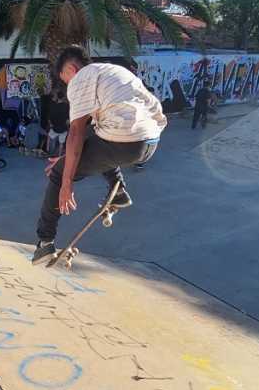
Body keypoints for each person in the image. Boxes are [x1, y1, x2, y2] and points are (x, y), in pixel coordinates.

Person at [31, 45, 165, 264]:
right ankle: (119, 190)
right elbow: (89, 136)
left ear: (72, 69)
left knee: (57, 173)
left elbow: (75, 132)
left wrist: (66, 180)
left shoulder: (81, 79)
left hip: (125, 141)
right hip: (150, 141)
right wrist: (67, 159)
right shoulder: (114, 71)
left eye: (65, 79)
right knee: (95, 131)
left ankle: (44, 242)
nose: (67, 85)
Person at [45, 89, 70, 156]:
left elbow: (49, 118)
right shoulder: (67, 106)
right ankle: (59, 155)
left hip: (55, 127)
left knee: (49, 137)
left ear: (57, 97)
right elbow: (68, 120)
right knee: (61, 143)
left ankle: (47, 150)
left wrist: (51, 124)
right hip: (63, 128)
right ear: (63, 97)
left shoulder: (54, 106)